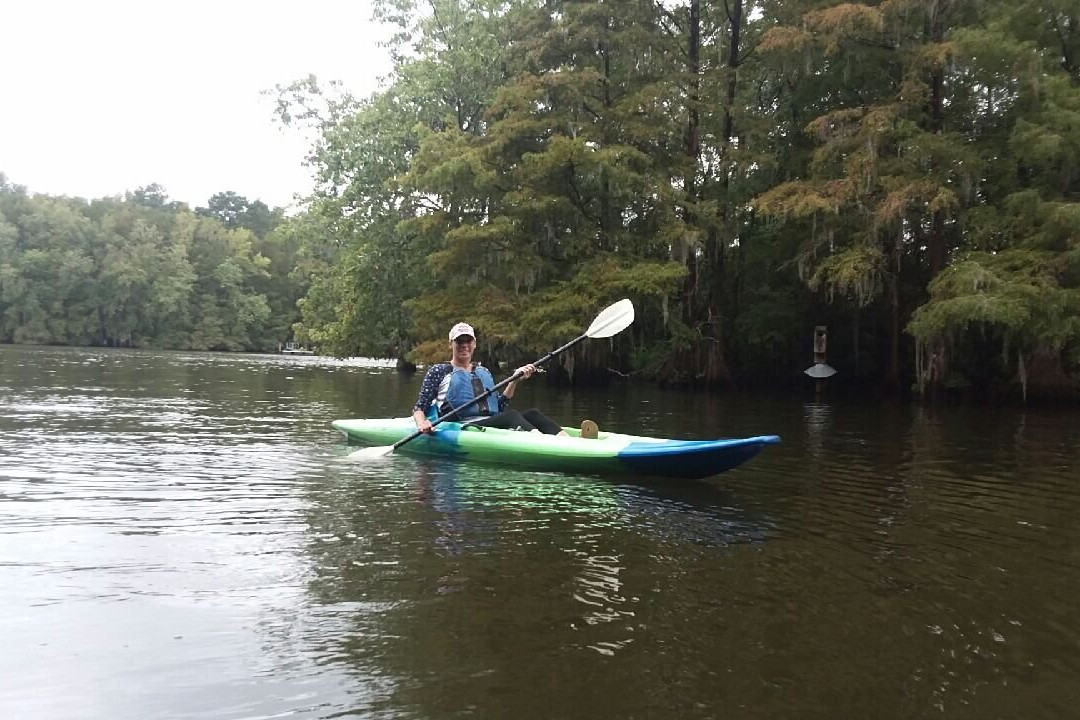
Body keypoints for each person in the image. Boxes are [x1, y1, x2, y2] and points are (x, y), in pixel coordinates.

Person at [412, 322, 568, 436]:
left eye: (468, 341)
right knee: (512, 416)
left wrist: (514, 380)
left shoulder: (482, 371)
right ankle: (542, 442)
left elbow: (498, 407)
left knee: (533, 414)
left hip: (489, 423)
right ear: (451, 344)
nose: (464, 345)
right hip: (462, 426)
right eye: (459, 341)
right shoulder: (439, 371)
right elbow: (419, 408)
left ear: (474, 344)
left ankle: (568, 440)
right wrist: (422, 423)